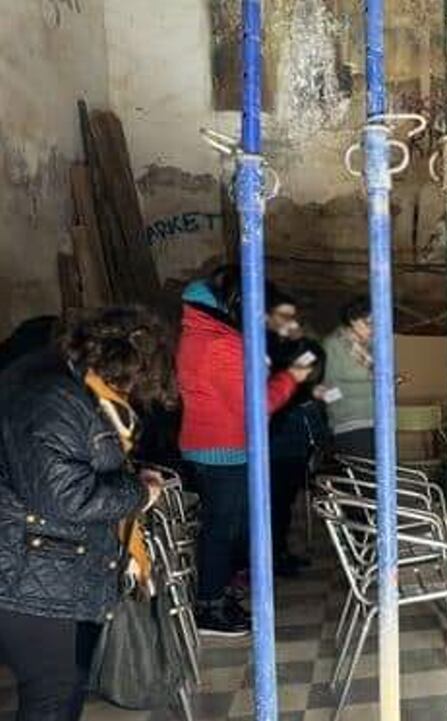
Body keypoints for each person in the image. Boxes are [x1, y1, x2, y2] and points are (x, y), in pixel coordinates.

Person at [0, 306, 172, 721]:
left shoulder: (70, 387)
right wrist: (139, 492)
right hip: (30, 575)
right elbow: (64, 496)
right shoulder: (53, 398)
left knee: (62, 691)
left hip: (51, 568)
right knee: (52, 696)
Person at [177, 267, 308, 636]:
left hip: (211, 445)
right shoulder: (223, 344)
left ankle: (217, 595)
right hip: (224, 450)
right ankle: (209, 607)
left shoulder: (203, 332)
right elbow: (257, 404)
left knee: (225, 529)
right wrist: (292, 378)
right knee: (222, 531)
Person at [265, 286, 326, 576]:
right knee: (276, 502)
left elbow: (311, 377)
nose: (289, 323)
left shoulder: (297, 349)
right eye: (283, 316)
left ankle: (279, 553)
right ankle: (273, 557)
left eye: (293, 318)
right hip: (277, 435)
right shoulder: (266, 349)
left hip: (291, 434)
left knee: (283, 501)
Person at [322, 297, 376, 457]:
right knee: (362, 478)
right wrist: (339, 409)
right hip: (349, 424)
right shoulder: (333, 345)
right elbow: (327, 390)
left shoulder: (373, 345)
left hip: (378, 420)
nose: (373, 328)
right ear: (352, 320)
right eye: (368, 323)